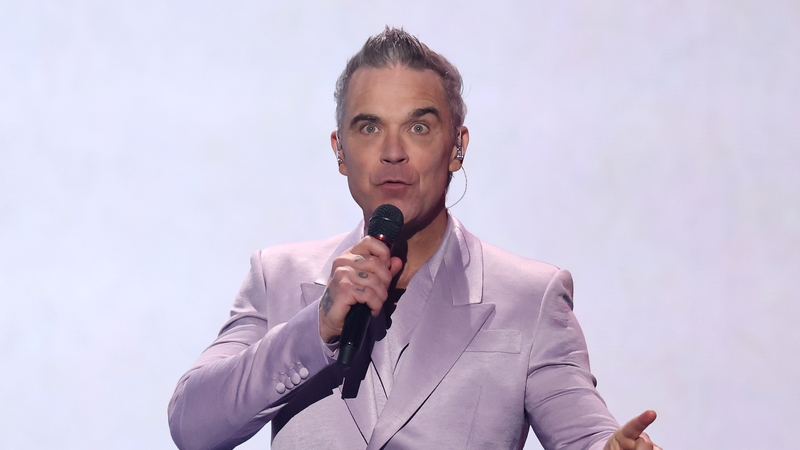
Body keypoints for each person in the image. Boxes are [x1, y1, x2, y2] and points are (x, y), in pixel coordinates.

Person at [168, 27, 661, 450]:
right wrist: (316, 327)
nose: (393, 152)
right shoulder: (277, 276)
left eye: (419, 127)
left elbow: (585, 432)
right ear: (340, 151)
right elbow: (192, 424)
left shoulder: (530, 298)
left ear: (457, 148)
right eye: (369, 127)